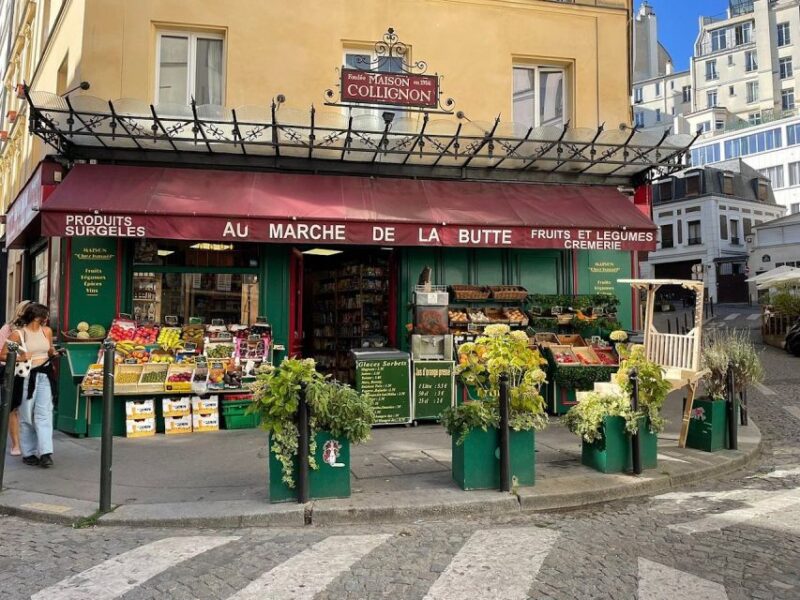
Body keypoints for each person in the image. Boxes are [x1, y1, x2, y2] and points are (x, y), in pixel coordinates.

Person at [0, 303, 59, 468]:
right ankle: (28, 453)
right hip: (26, 377)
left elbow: (49, 349)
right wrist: (21, 357)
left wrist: (53, 353)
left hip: (45, 375)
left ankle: (46, 453)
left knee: (44, 413)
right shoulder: (18, 335)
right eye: (45, 315)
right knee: (26, 415)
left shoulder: (46, 331)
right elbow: (3, 355)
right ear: (37, 316)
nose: (47, 319)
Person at [0, 300, 30, 457]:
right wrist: (20, 359)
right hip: (13, 372)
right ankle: (16, 444)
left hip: (33, 371)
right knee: (13, 408)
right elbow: (0, 352)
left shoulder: (36, 330)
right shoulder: (8, 328)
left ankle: (29, 444)